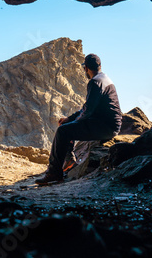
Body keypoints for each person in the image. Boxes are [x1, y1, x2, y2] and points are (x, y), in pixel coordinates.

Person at [35, 54, 122, 185]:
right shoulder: (104, 79)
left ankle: (54, 172)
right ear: (100, 66)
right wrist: (69, 119)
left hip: (106, 127)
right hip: (108, 124)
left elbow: (88, 111)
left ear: (85, 68)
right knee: (67, 127)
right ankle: (68, 160)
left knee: (62, 131)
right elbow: (87, 108)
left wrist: (72, 123)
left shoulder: (95, 82)